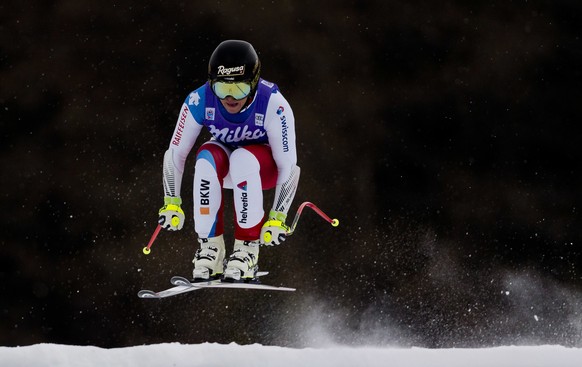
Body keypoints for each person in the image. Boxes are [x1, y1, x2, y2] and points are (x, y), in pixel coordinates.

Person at [157, 40, 300, 282]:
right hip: (230, 168)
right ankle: (211, 249)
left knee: (242, 158)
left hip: (263, 170)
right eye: (223, 89)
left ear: (254, 85)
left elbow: (289, 165)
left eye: (240, 89)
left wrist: (278, 217)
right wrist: (171, 201)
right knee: (205, 157)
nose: (230, 99)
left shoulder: (274, 104)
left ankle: (247, 249)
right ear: (212, 83)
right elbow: (176, 152)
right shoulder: (199, 100)